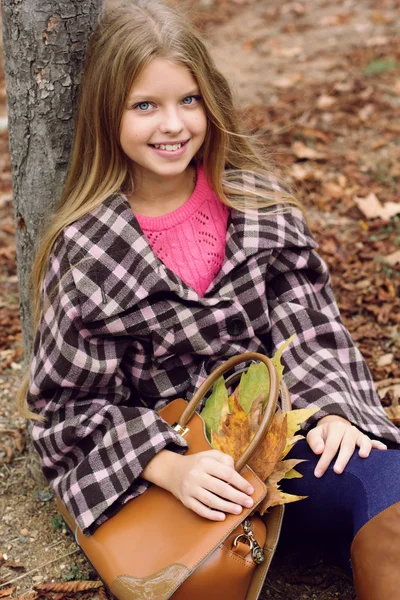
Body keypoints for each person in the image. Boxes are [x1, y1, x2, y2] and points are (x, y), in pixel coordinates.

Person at [18, 1, 400, 598]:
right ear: (105, 114)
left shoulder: (257, 206)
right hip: (177, 468)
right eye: (144, 105)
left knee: (389, 491)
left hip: (279, 433)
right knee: (201, 581)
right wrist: (171, 466)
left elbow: (311, 325)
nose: (172, 124)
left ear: (211, 102)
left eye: (187, 100)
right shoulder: (89, 251)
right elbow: (67, 412)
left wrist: (330, 411)